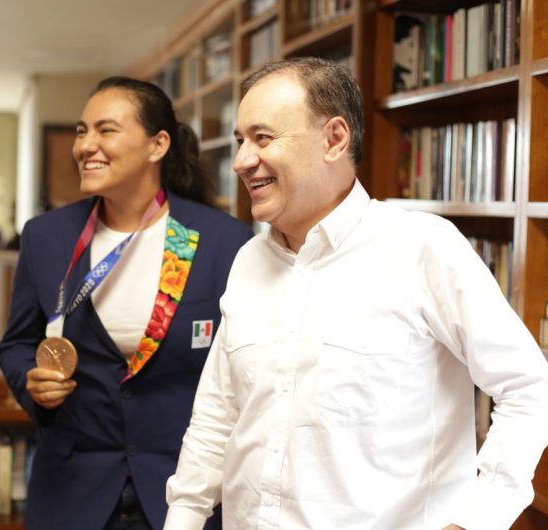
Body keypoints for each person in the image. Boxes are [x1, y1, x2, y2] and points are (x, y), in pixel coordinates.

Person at [165, 57, 548, 530]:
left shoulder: (422, 248)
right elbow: (217, 416)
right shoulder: (249, 261)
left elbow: (529, 388)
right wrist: (183, 518)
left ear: (334, 139)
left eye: (262, 138)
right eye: (241, 140)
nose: (243, 160)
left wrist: (476, 520)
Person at [0, 76, 253, 530]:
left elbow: (243, 368)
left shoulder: (223, 241)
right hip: (72, 491)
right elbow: (16, 344)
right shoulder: (46, 237)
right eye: (82, 131)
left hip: (186, 493)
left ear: (158, 145)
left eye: (106, 130)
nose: (85, 145)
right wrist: (31, 383)